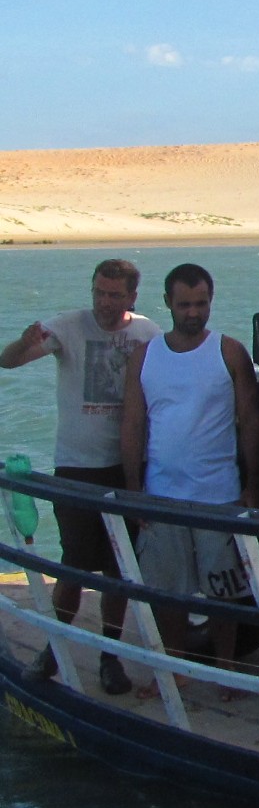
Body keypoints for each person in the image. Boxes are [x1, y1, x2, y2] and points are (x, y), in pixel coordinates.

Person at [0, 259, 160, 694]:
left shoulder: (146, 333)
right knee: (73, 564)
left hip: (126, 467)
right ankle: (54, 649)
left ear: (131, 297)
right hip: (75, 466)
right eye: (99, 293)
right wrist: (22, 341)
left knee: (118, 570)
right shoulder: (66, 326)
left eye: (114, 295)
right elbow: (8, 361)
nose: (105, 303)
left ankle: (111, 657)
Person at [120, 263, 259, 689]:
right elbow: (133, 423)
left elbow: (250, 419)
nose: (194, 312)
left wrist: (253, 485)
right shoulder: (146, 356)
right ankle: (175, 667)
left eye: (201, 303)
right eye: (185, 304)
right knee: (168, 593)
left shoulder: (229, 351)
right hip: (162, 494)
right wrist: (134, 489)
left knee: (224, 593)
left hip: (218, 494)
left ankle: (226, 668)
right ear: (167, 303)